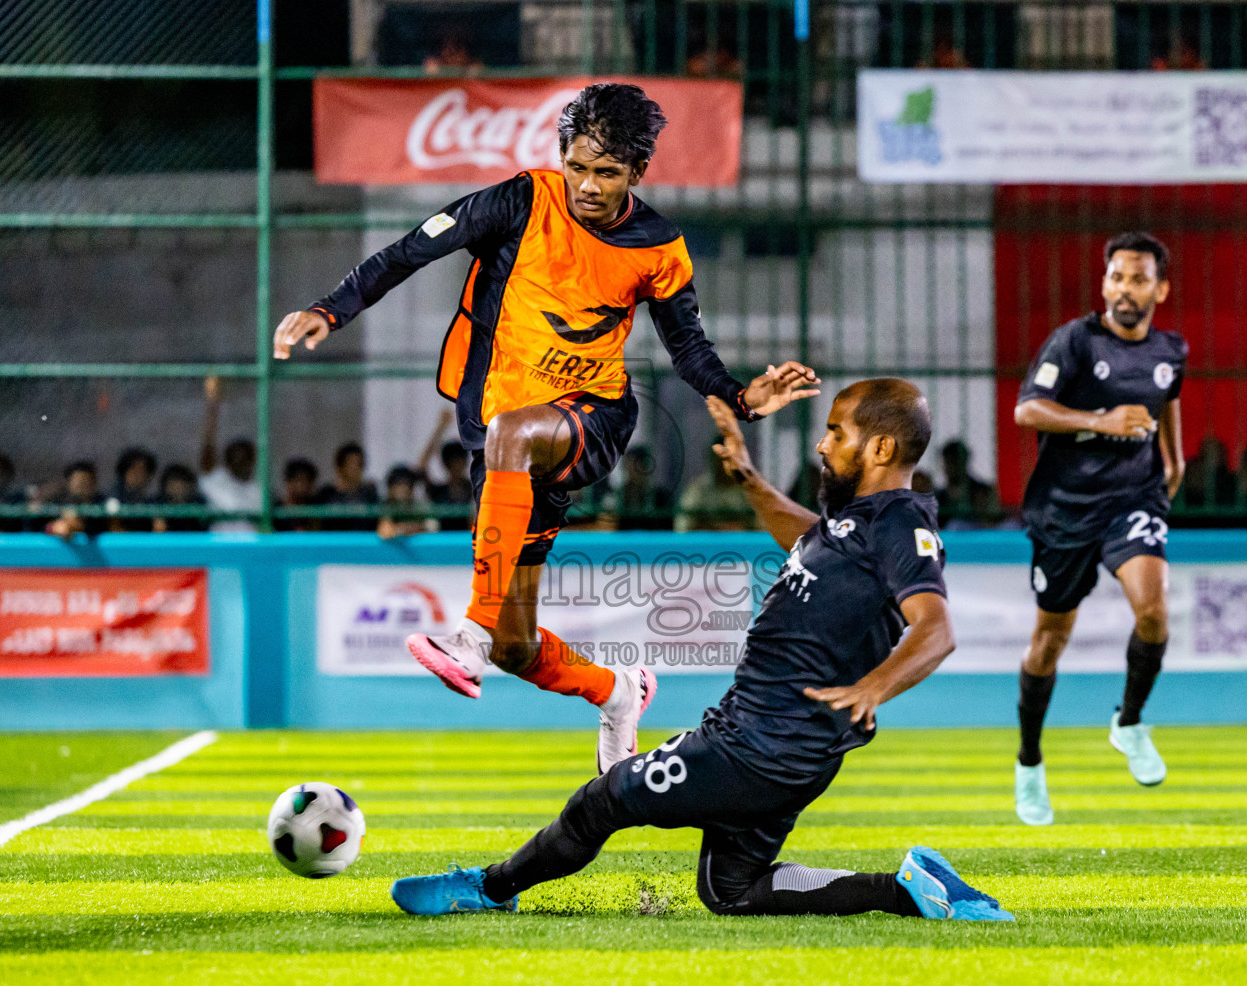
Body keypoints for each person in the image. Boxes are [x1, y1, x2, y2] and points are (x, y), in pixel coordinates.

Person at [274, 82, 818, 771]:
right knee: (516, 644)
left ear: (637, 174)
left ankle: (465, 636)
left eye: (608, 173)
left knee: (511, 444)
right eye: (579, 166)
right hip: (503, 443)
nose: (588, 185)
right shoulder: (520, 200)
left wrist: (742, 397)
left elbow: (688, 349)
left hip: (591, 418)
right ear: (561, 156)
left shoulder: (659, 247)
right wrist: (331, 309)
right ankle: (617, 691)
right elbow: (409, 251)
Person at [389, 379, 1011, 923]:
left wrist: (872, 688)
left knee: (599, 802)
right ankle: (906, 890)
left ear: (880, 448)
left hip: (756, 747)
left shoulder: (902, 524)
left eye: (835, 433)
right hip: (789, 752)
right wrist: (749, 479)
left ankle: (488, 890)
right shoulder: (862, 522)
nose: (822, 445)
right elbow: (813, 538)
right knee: (731, 891)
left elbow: (936, 628)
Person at [1011, 231, 1187, 826]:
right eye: (1116, 277)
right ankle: (1030, 762)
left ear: (1160, 289)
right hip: (1064, 511)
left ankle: (1130, 722)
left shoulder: (1170, 350)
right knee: (1048, 643)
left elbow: (1166, 403)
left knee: (1154, 612)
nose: (1124, 289)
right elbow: (1027, 410)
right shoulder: (1076, 341)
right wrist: (1103, 421)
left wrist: (1174, 463)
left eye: (1138, 279)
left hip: (1132, 500)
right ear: (1105, 283)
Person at [198, 376, 260, 532]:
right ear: (226, 462)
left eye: (245, 458)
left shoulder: (259, 491)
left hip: (251, 553)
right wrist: (213, 405)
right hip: (220, 552)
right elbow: (207, 449)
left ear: (253, 460)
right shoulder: (217, 482)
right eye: (235, 459)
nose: (240, 463)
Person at [674, 439, 756, 531]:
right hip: (706, 544)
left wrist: (737, 528)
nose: (723, 465)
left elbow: (764, 531)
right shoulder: (698, 491)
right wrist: (712, 528)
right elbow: (682, 528)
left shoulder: (750, 491)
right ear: (712, 460)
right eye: (720, 460)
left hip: (742, 544)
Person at [935, 439, 1000, 528]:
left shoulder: (981, 492)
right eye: (948, 462)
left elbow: (993, 518)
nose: (951, 467)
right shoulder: (939, 497)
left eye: (954, 462)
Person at [152, 464, 204, 532]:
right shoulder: (156, 502)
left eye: (181, 484)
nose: (177, 488)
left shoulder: (199, 503)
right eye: (173, 484)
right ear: (165, 485)